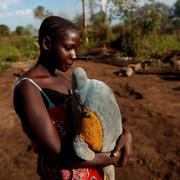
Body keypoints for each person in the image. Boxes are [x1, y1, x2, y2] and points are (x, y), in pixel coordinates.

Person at [13, 15, 132, 179]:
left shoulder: (64, 79)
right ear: (47, 43)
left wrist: (124, 133)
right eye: (68, 48)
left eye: (75, 49)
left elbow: (91, 115)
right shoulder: (28, 89)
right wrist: (113, 157)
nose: (74, 55)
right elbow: (60, 153)